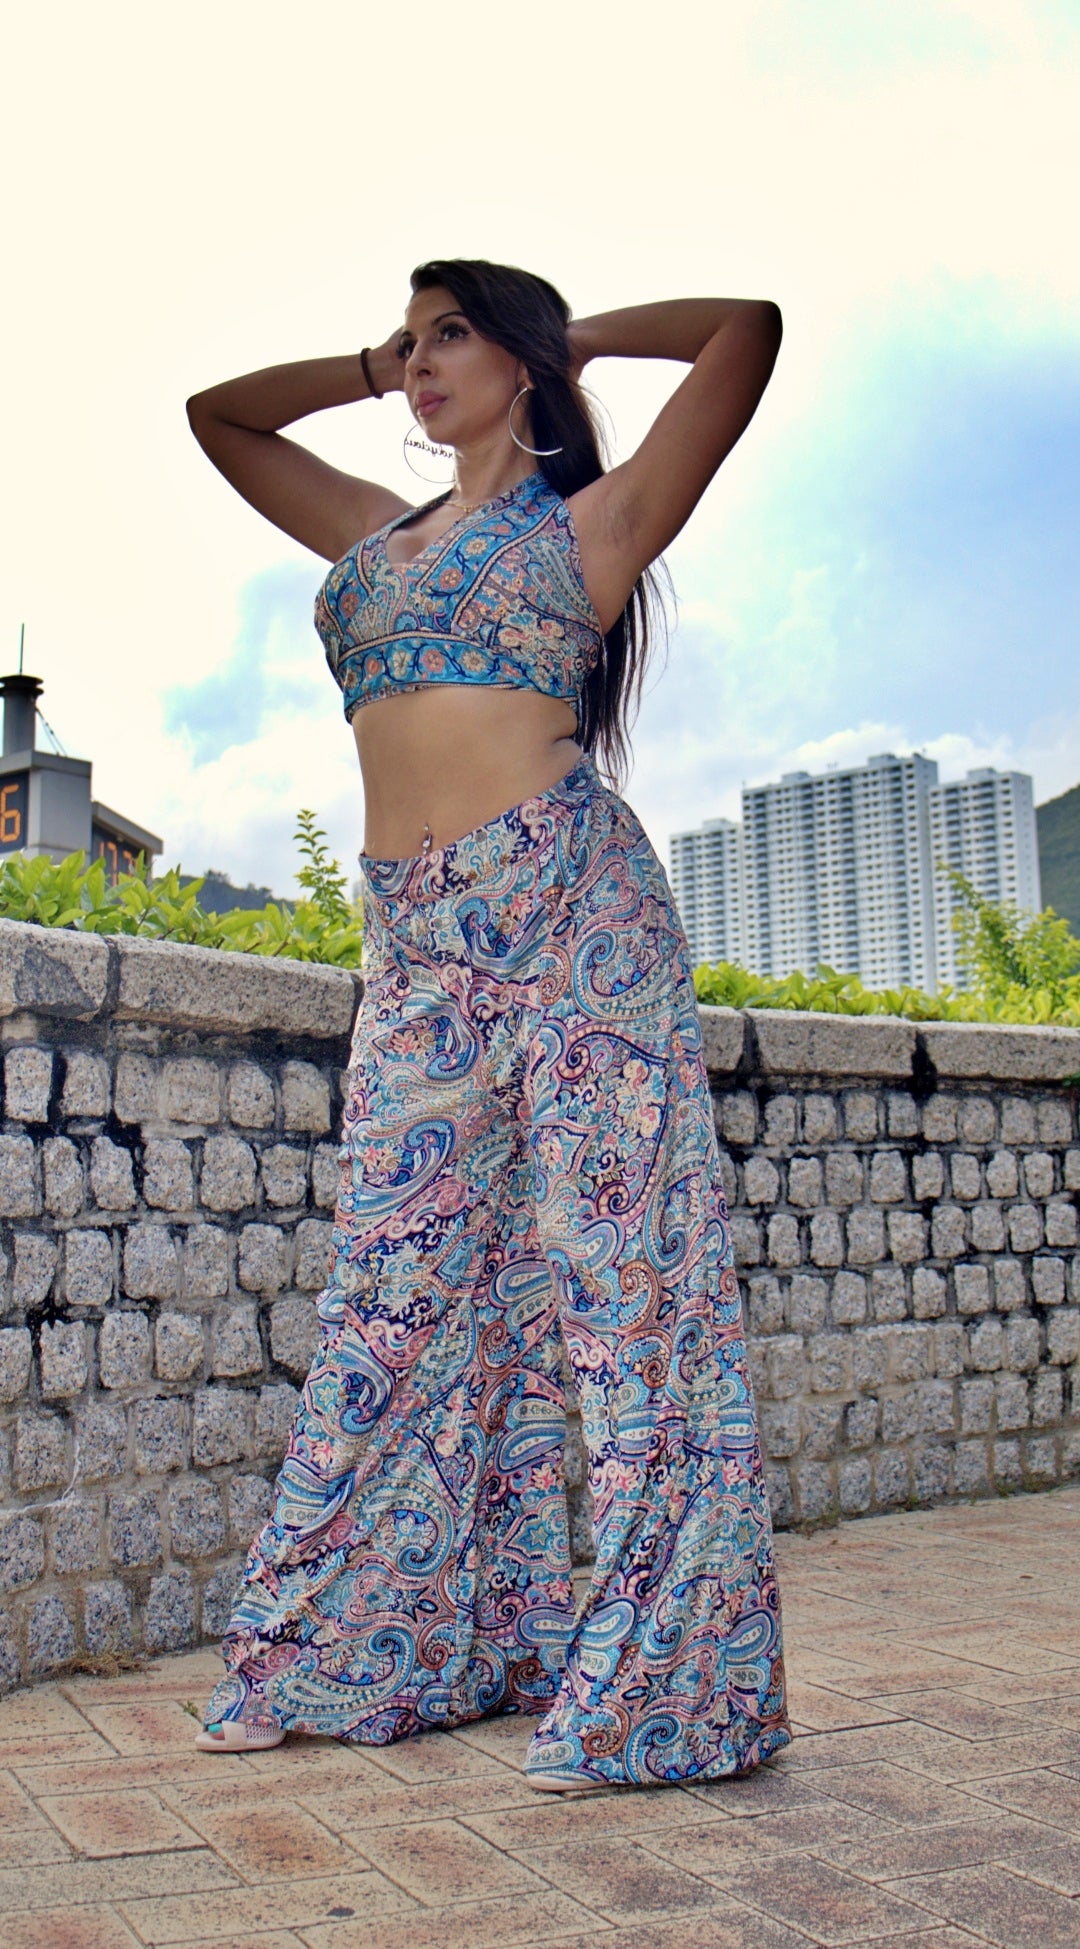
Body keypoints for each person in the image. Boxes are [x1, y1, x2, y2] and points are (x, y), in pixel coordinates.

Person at [186, 259, 791, 1791]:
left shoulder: (593, 527)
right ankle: (347, 1648)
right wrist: (367, 358)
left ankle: (663, 1694)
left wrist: (567, 336)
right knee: (393, 1295)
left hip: (575, 912)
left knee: (629, 1295)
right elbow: (218, 419)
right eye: (415, 340)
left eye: (451, 334)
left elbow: (746, 333)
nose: (422, 363)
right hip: (417, 948)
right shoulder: (370, 533)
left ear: (517, 360)